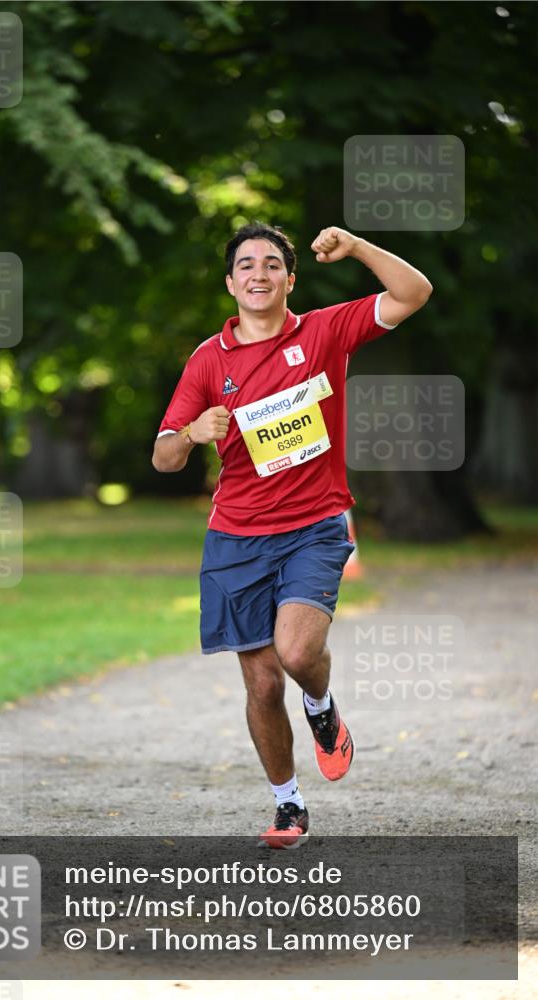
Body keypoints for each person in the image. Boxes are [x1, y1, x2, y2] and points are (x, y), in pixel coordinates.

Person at [152, 222, 432, 848]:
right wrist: (192, 434)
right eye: (246, 265)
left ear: (290, 279)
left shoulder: (325, 332)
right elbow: (163, 457)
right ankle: (288, 805)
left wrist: (357, 247)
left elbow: (414, 293)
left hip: (313, 527)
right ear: (231, 284)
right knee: (262, 682)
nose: (259, 273)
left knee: (298, 654)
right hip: (237, 538)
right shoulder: (208, 360)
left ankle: (322, 707)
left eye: (272, 264)